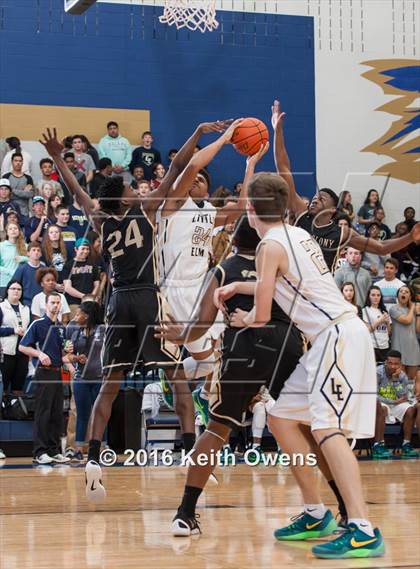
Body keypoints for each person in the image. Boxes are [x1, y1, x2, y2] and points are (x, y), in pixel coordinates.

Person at [39, 121, 231, 502]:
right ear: (126, 198)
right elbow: (178, 169)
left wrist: (58, 158)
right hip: (147, 298)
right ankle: (192, 451)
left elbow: (77, 192)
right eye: (129, 188)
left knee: (109, 385)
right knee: (177, 378)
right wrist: (198, 132)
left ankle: (93, 459)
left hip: (117, 304)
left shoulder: (98, 217)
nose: (134, 188)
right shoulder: (145, 210)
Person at [221, 171, 384, 559]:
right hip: (333, 333)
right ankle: (316, 512)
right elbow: (282, 286)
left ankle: (361, 528)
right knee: (280, 418)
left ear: (250, 209)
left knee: (328, 428)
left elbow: (261, 314)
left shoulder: (268, 247)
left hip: (336, 335)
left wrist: (242, 318)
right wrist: (237, 287)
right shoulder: (297, 234)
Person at [154, 214, 304, 536]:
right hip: (285, 343)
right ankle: (333, 509)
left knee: (217, 429)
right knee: (310, 427)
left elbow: (204, 321)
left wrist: (181, 335)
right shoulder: (281, 263)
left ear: (233, 242)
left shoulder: (223, 270)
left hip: (243, 349)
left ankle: (185, 513)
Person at [156, 122, 265, 453]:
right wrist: (224, 137)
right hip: (172, 288)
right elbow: (192, 165)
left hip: (200, 286)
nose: (197, 181)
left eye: (203, 180)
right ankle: (180, 381)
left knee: (215, 358)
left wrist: (250, 164)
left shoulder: (209, 213)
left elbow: (241, 205)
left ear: (208, 189)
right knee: (205, 355)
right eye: (195, 180)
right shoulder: (173, 205)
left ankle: (200, 393)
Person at [271, 100, 420, 273]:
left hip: (321, 289)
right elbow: (284, 168)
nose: (314, 200)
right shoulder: (301, 214)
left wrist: (410, 237)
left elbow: (381, 247)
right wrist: (278, 131)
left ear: (333, 209)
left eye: (321, 199)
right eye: (314, 198)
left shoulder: (342, 233)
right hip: (293, 280)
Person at [19, 291, 70, 465]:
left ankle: (54, 450)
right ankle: (39, 452)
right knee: (44, 412)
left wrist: (68, 354)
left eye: (58, 302)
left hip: (57, 372)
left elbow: (62, 353)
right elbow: (23, 346)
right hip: (43, 372)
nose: (56, 305)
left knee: (57, 412)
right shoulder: (38, 324)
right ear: (46, 305)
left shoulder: (62, 328)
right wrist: (40, 354)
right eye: (52, 302)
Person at [66, 301, 105, 460]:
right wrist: (76, 357)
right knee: (82, 414)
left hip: (99, 378)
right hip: (81, 378)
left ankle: (101, 446)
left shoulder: (103, 330)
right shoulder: (75, 331)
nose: (75, 316)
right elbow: (68, 355)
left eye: (78, 314)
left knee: (101, 414)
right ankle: (79, 448)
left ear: (87, 316)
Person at [374, 351, 419, 458]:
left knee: (410, 409)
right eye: (390, 363)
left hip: (396, 404)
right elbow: (374, 395)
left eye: (396, 364)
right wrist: (392, 402)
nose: (392, 366)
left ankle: (406, 444)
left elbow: (403, 395)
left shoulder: (402, 375)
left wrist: (395, 380)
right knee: (381, 407)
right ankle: (378, 444)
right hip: (382, 403)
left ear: (400, 364)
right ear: (385, 362)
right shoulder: (378, 373)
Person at [0, 280, 30, 395]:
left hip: (23, 352)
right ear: (7, 290)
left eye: (19, 289)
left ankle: (16, 410)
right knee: (4, 385)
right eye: (13, 289)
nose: (16, 291)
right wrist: (13, 330)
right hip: (5, 352)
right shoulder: (1, 307)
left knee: (19, 385)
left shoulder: (26, 309)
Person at [389, 286, 420, 380]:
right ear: (398, 296)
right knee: (399, 380)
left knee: (412, 380)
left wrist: (418, 314)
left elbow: (418, 330)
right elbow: (407, 320)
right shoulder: (393, 309)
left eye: (406, 292)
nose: (403, 293)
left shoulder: (414, 310)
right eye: (401, 291)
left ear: (410, 296)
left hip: (413, 348)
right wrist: (413, 307)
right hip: (398, 348)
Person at [62, 238, 100, 316]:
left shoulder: (93, 265)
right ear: (76, 249)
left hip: (90, 302)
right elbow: (67, 288)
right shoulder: (68, 266)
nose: (85, 251)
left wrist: (91, 297)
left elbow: (97, 284)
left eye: (87, 249)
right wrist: (84, 296)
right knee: (77, 325)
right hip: (74, 303)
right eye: (83, 249)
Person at [362, 286, 391, 362]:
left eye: (378, 295)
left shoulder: (384, 310)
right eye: (373, 295)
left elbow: (389, 332)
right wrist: (380, 320)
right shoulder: (365, 310)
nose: (376, 297)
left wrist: (387, 322)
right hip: (372, 346)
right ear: (369, 296)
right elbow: (367, 330)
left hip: (385, 346)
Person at [0, 222, 28, 299]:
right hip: (5, 282)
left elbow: (34, 261)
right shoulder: (1, 246)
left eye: (15, 228)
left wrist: (24, 258)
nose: (13, 230)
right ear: (7, 232)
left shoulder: (25, 246)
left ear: (19, 231)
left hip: (21, 282)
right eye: (10, 229)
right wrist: (10, 271)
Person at [12, 242, 44, 307]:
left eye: (38, 250)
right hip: (26, 303)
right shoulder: (22, 268)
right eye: (33, 250)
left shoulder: (44, 269)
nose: (36, 252)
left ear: (41, 254)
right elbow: (14, 285)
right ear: (28, 253)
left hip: (42, 303)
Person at [2, 153, 34, 217]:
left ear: (22, 162)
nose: (18, 163)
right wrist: (23, 193)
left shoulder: (28, 178)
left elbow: (30, 195)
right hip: (8, 211)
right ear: (12, 162)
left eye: (20, 161)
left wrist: (11, 190)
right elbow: (3, 195)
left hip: (24, 212)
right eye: (16, 161)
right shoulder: (6, 177)